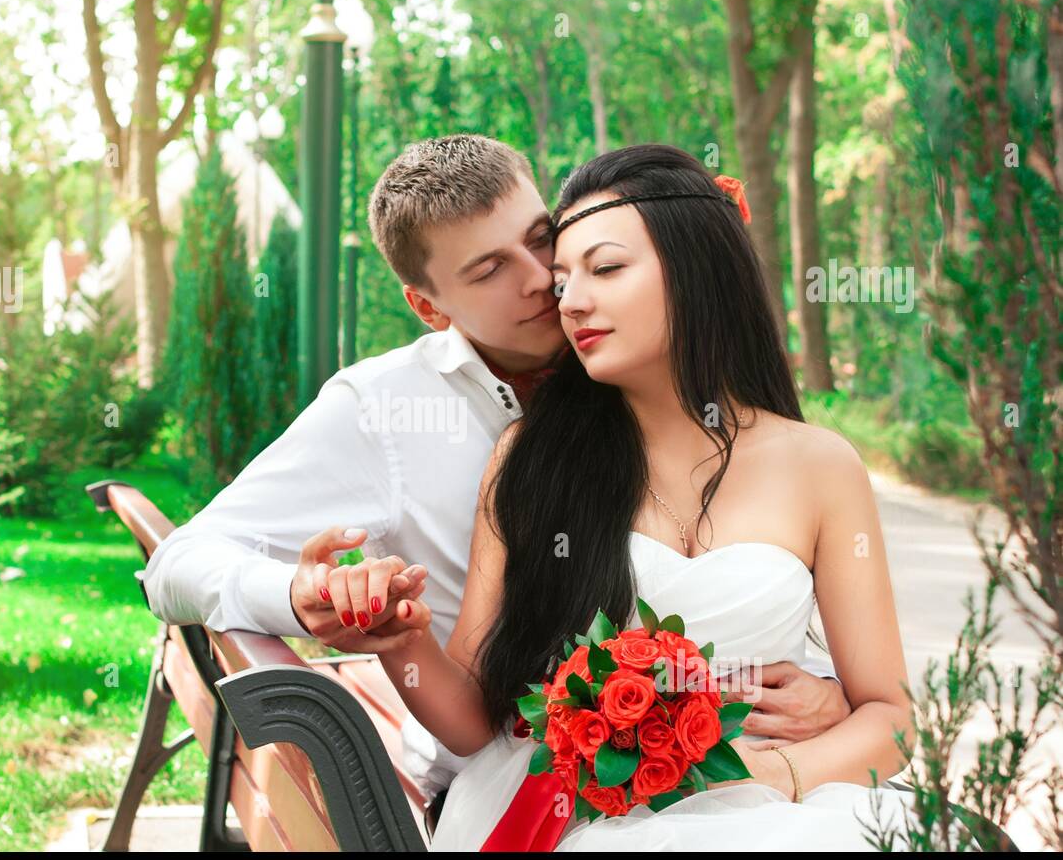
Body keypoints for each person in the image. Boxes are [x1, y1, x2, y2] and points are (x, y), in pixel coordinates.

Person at [141, 135, 850, 820]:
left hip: (730, 777)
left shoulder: (636, 353)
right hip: (509, 782)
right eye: (489, 270)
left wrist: (833, 698)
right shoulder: (386, 411)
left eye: (542, 238)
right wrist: (301, 595)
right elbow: (176, 565)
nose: (543, 278)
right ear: (428, 305)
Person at [327, 144, 927, 851]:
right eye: (562, 280)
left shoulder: (821, 466)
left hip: (786, 803)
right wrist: (399, 640)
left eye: (606, 269)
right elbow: (469, 716)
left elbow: (891, 716)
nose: (571, 300)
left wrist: (768, 776)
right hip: (585, 817)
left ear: (699, 270)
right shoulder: (531, 462)